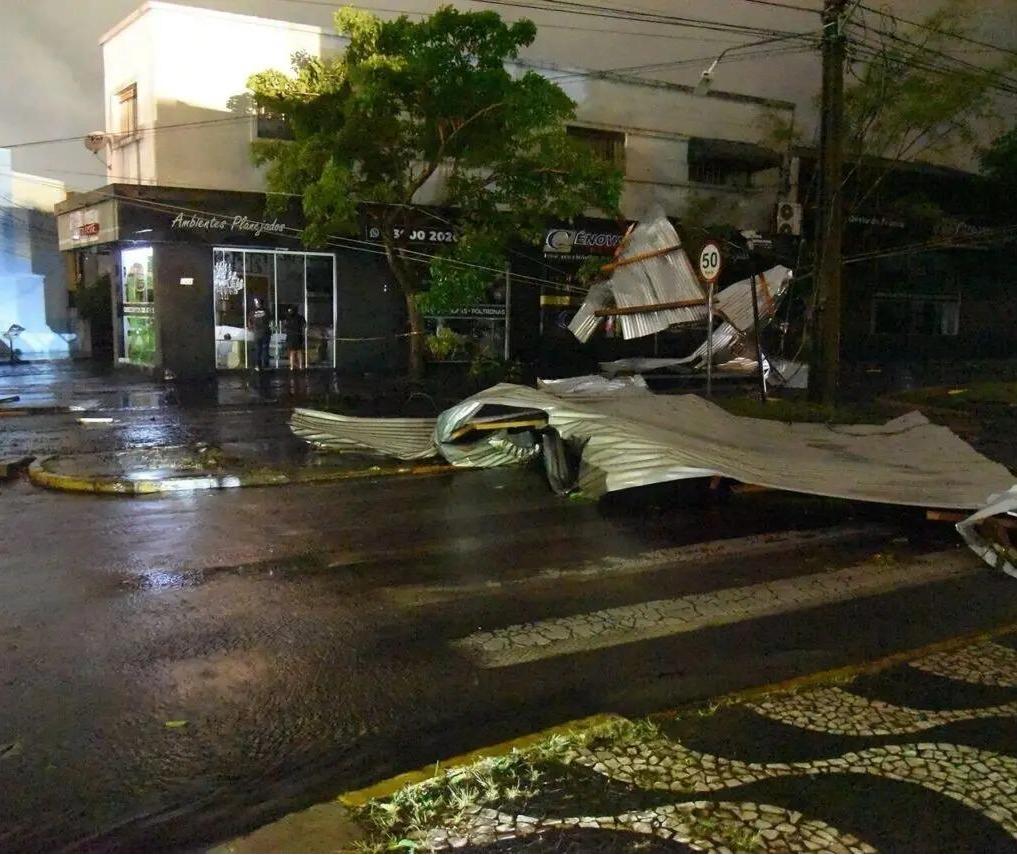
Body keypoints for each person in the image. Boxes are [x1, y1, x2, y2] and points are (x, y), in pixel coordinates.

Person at [249, 297, 270, 371]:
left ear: (256, 304)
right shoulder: (266, 311)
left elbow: (250, 322)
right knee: (265, 349)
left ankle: (258, 365)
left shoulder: (252, 312)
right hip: (265, 332)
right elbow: (269, 319)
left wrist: (251, 328)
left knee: (258, 349)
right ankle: (265, 365)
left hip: (257, 333)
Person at [284, 305, 307, 370]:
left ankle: (291, 367)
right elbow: (304, 325)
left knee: (292, 352)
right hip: (298, 337)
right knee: (299, 351)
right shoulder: (300, 317)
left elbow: (285, 327)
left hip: (291, 337)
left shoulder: (287, 317)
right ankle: (300, 366)